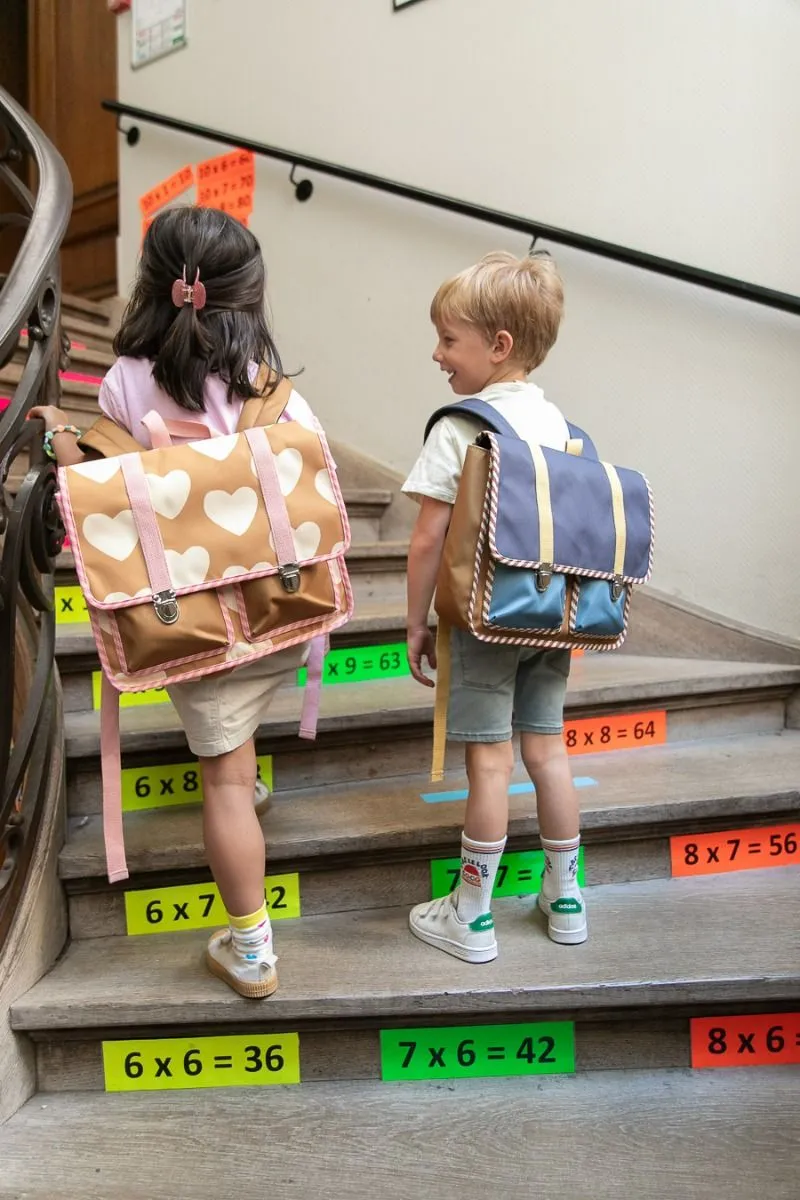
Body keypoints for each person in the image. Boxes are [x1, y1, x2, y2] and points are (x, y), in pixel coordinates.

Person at [30, 206, 319, 999]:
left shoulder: (125, 381)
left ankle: (252, 946)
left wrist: (62, 434)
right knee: (242, 720)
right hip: (277, 606)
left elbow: (104, 480)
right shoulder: (267, 377)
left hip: (185, 612)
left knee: (220, 780)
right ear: (248, 295)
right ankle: (251, 785)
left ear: (152, 288)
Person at [402, 250, 586, 964]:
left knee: (488, 765)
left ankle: (472, 914)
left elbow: (425, 542)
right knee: (547, 752)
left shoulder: (461, 427)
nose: (439, 354)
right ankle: (565, 897)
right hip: (552, 617)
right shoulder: (558, 422)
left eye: (450, 339)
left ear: (498, 346)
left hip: (484, 619)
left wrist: (417, 622)